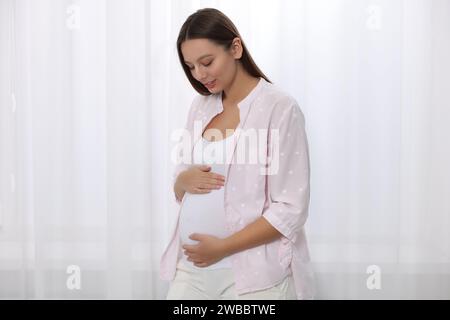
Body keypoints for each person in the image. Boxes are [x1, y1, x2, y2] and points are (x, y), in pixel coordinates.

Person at [160, 8, 314, 300]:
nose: (199, 75)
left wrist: (223, 246)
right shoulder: (201, 107)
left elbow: (290, 208)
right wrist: (183, 181)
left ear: (235, 47)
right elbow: (180, 180)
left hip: (254, 275)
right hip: (191, 271)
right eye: (191, 66)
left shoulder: (279, 108)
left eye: (206, 62)